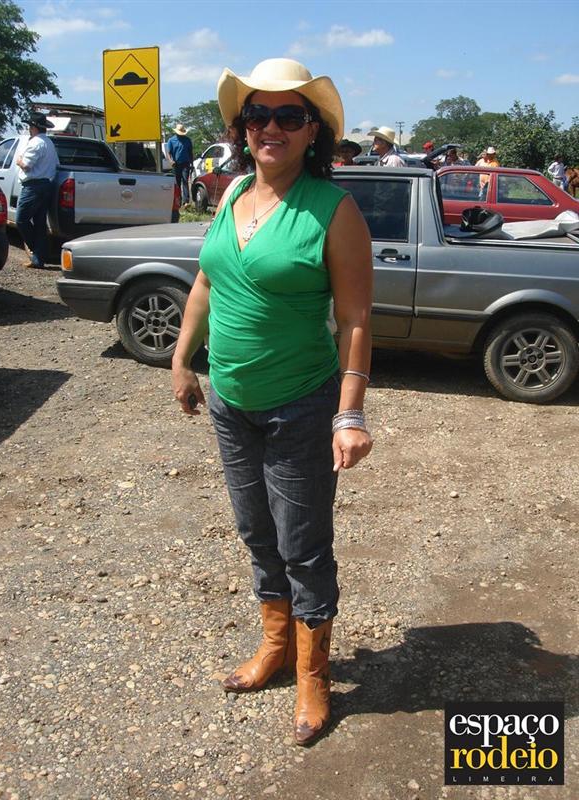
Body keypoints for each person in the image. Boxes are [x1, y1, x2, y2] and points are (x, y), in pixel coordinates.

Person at [171, 57, 373, 746]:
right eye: (258, 114)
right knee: (256, 531)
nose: (270, 127)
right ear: (241, 127)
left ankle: (314, 673)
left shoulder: (333, 210)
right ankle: (276, 647)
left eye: (289, 115)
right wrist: (182, 360)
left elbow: (355, 320)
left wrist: (350, 413)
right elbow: (206, 283)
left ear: (314, 130)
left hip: (300, 404)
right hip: (230, 400)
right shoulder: (231, 193)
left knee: (302, 545)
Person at [15, 112, 59, 268]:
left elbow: (27, 165)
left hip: (34, 186)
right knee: (39, 222)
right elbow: (56, 164)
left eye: (30, 126)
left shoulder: (35, 143)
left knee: (21, 219)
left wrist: (19, 160)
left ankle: (37, 250)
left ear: (33, 127)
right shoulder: (49, 143)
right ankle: (38, 259)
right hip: (46, 184)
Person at [165, 123, 193, 206]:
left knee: (185, 181)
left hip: (186, 164)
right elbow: (168, 153)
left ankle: (186, 201)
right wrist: (171, 161)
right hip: (176, 164)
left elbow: (190, 153)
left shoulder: (187, 140)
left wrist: (191, 164)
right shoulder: (171, 140)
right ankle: (178, 201)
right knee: (177, 183)